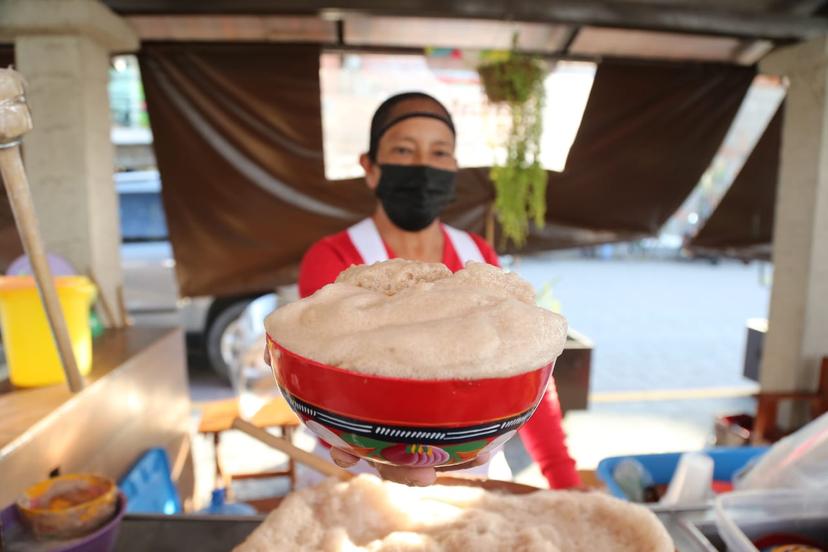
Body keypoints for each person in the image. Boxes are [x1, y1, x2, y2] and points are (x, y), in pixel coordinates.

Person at [295, 92, 581, 489]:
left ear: (453, 167)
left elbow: (524, 364)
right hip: (355, 478)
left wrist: (562, 477)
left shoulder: (475, 256)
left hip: (470, 479)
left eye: (439, 152)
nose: (423, 167)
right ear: (371, 167)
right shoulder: (335, 257)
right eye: (403, 149)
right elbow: (322, 380)